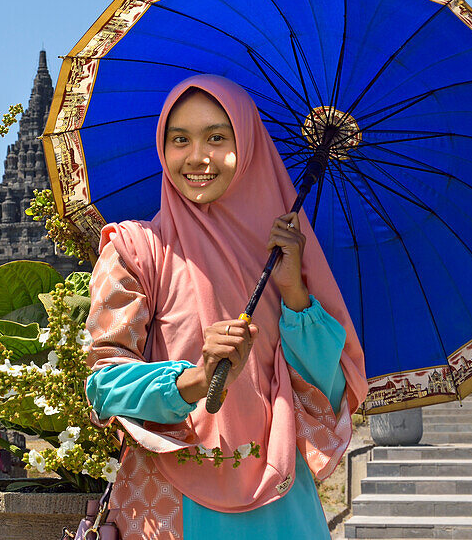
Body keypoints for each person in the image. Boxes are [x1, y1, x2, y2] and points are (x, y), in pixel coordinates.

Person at [85, 76, 367, 540]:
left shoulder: (284, 252)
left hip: (280, 497)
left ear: (249, 147)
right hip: (172, 500)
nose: (197, 157)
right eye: (180, 140)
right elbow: (103, 384)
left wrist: (293, 290)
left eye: (217, 138)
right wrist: (193, 379)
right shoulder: (136, 250)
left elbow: (324, 394)